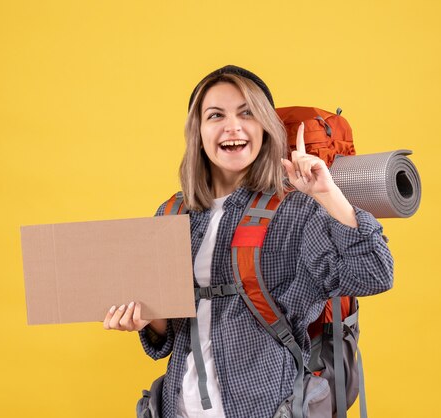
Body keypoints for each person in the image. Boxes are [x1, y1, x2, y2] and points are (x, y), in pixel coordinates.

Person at [103, 65, 393, 418]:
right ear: (198, 131)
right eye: (215, 115)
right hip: (178, 407)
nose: (233, 126)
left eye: (247, 113)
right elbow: (169, 336)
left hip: (266, 406)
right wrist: (147, 320)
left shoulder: (297, 213)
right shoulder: (172, 213)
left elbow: (375, 273)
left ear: (265, 128)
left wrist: (328, 194)